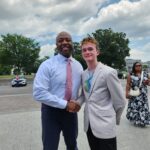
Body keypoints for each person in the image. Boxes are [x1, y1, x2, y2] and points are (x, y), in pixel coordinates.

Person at [69, 37, 126, 150]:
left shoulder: (108, 72)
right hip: (89, 124)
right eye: (84, 50)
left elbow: (120, 101)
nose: (87, 52)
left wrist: (112, 119)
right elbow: (85, 96)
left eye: (90, 49)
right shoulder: (83, 74)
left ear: (97, 52)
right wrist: (76, 103)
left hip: (105, 125)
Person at [33, 31, 83, 150]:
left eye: (68, 40)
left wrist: (79, 103)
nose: (64, 42)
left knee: (72, 145)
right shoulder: (47, 65)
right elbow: (38, 93)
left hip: (71, 113)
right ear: (56, 45)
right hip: (51, 112)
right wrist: (65, 104)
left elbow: (85, 91)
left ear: (72, 43)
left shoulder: (79, 66)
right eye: (60, 40)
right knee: (50, 146)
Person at [126, 61, 150, 127]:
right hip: (134, 94)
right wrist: (127, 93)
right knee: (135, 108)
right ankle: (136, 120)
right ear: (134, 67)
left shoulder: (145, 74)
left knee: (143, 108)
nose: (139, 67)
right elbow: (128, 85)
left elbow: (149, 83)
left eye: (140, 65)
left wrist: (147, 82)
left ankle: (143, 121)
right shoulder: (130, 75)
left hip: (143, 95)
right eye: (137, 66)